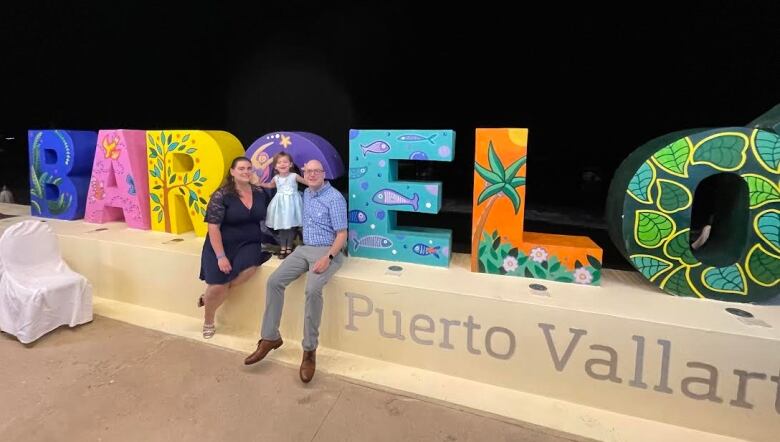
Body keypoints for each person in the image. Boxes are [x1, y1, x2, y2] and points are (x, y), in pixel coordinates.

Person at [244, 160, 348, 383]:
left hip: (329, 251)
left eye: (316, 171)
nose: (311, 174)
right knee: (274, 281)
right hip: (305, 249)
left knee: (312, 290)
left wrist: (328, 258)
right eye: (307, 171)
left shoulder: (335, 198)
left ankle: (309, 350)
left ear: (324, 173)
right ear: (302, 173)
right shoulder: (307, 194)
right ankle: (270, 337)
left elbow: (342, 235)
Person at [198, 157, 271, 339]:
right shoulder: (221, 195)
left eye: (248, 168)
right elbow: (213, 227)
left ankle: (207, 298)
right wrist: (221, 256)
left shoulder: (259, 192)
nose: (246, 171)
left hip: (249, 243)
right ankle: (208, 320)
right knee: (217, 285)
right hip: (221, 245)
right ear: (232, 172)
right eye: (241, 168)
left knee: (248, 270)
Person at [256, 152, 306, 259]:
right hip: (281, 205)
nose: (282, 164)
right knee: (282, 228)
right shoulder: (276, 178)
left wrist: (307, 173)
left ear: (291, 164)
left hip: (293, 205)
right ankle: (283, 247)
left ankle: (289, 247)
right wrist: (260, 184)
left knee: (292, 227)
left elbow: (306, 182)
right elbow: (270, 185)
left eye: (285, 162)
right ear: (275, 166)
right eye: (279, 162)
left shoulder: (294, 176)